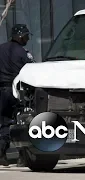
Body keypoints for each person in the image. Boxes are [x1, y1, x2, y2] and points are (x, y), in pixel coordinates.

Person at [0, 24, 34, 166]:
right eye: (26, 36)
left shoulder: (1, 48)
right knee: (20, 121)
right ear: (20, 36)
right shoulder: (23, 52)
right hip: (15, 90)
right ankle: (23, 157)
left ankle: (1, 155)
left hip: (1, 90)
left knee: (3, 122)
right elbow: (32, 71)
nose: (27, 39)